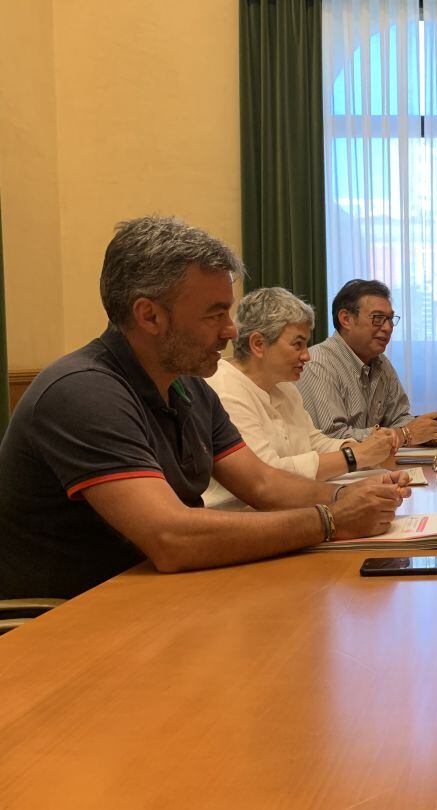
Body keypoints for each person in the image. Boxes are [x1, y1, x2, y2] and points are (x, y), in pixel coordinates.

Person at [0, 216, 411, 600]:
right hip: (71, 619)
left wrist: (350, 496)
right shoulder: (84, 393)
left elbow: (263, 485)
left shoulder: (190, 389)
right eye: (215, 314)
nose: (231, 330)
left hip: (157, 596)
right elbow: (171, 538)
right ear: (149, 315)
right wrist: (332, 518)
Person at [202, 287, 401, 507]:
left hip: (290, 509)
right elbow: (268, 474)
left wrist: (366, 452)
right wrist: (357, 457)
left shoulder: (284, 386)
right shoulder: (224, 389)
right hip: (243, 521)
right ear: (258, 344)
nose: (306, 355)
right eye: (298, 344)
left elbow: (313, 441)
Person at [297, 279, 437, 447]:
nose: (388, 327)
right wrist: (405, 434)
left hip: (373, 468)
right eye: (377, 318)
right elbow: (332, 438)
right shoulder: (318, 363)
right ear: (345, 319)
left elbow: (398, 418)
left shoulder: (381, 363)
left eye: (390, 319)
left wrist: (428, 431)